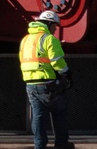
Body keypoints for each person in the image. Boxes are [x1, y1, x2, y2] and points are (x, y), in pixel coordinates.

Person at [19, 9, 73, 149]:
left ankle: (39, 146)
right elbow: (57, 61)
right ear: (49, 24)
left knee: (38, 117)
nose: (55, 29)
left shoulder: (25, 40)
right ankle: (61, 144)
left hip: (31, 84)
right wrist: (67, 74)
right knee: (59, 113)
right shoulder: (49, 39)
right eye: (54, 26)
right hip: (48, 83)